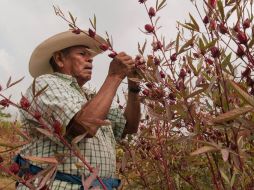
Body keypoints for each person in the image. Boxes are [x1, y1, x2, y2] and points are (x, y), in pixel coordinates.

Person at [16, 30, 141, 189]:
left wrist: (133, 86)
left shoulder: (90, 96)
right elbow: (83, 126)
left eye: (90, 55)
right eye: (82, 54)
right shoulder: (44, 84)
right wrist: (114, 76)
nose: (90, 60)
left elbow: (128, 128)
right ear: (60, 59)